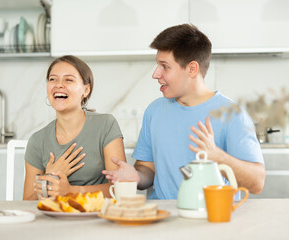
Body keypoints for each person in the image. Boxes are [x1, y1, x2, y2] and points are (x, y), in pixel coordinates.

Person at [102, 24, 265, 199]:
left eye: (165, 66)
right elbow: (147, 169)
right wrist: (136, 177)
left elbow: (256, 183)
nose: (156, 74)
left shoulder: (232, 114)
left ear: (192, 69)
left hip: (210, 219)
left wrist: (219, 157)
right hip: (162, 219)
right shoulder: (155, 111)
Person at [23, 55, 126, 200]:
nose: (58, 85)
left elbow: (121, 189)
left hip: (97, 218)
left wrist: (71, 190)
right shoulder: (37, 140)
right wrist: (50, 178)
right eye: (53, 79)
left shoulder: (105, 125)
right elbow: (27, 202)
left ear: (86, 90)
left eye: (68, 80)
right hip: (53, 219)